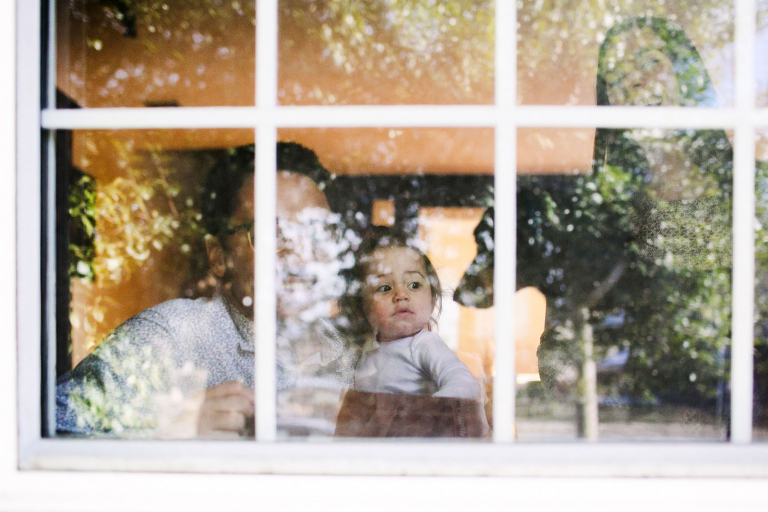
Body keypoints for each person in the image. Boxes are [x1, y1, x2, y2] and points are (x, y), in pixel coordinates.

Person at [56, 142, 353, 438]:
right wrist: (173, 433)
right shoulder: (169, 337)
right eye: (270, 233)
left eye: (317, 231)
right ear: (218, 256)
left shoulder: (342, 349)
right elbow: (43, 435)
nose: (301, 255)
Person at [343, 228, 479, 399]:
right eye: (385, 288)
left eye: (414, 285)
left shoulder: (424, 345)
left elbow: (464, 383)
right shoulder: (367, 349)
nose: (401, 295)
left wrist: (431, 411)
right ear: (362, 306)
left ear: (433, 299)